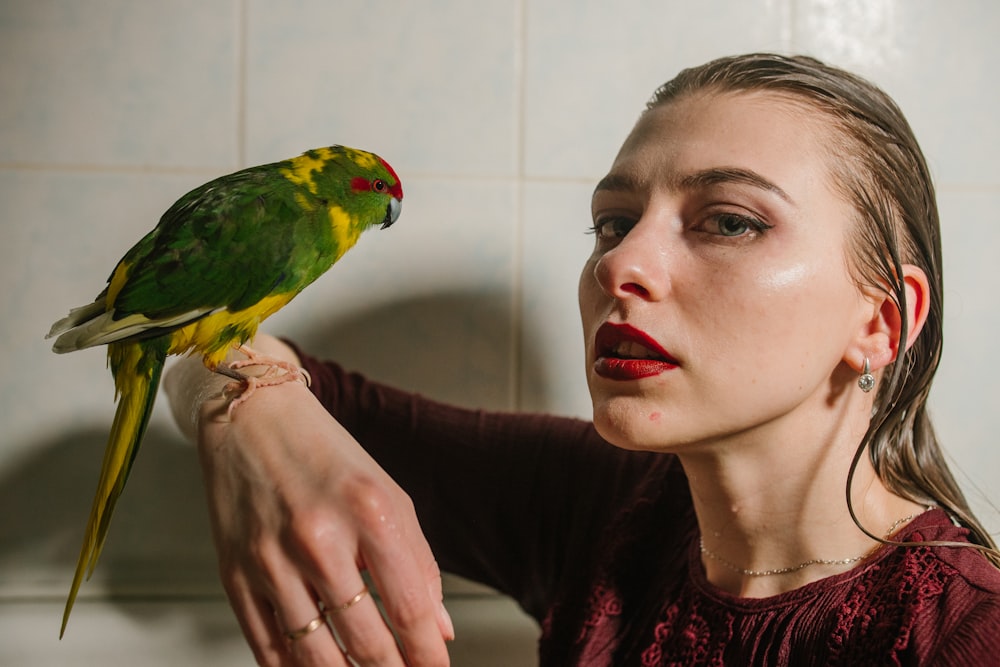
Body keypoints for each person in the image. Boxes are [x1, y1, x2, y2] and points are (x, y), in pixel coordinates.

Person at [165, 53, 1000, 666]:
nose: (618, 265)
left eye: (728, 221)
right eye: (612, 222)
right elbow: (224, 359)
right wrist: (248, 408)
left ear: (883, 322)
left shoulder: (967, 635)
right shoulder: (599, 504)